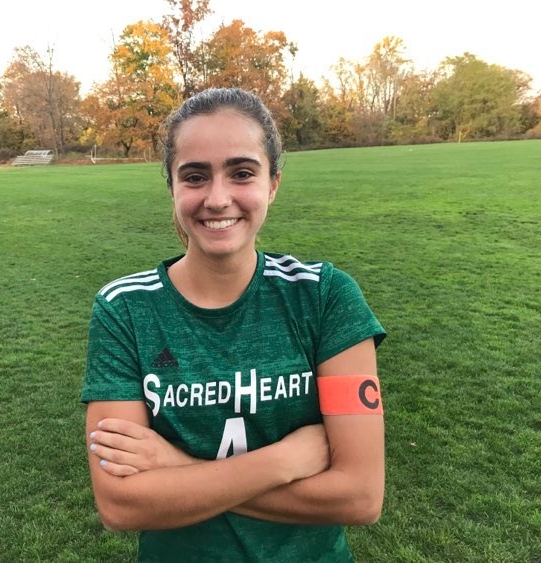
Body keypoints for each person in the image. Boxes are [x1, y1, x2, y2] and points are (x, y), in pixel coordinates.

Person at [81, 87, 386, 562]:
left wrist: (177, 466)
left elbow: (360, 496)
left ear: (273, 184)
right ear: (172, 187)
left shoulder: (325, 296)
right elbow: (121, 505)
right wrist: (281, 461)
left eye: (242, 173)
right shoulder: (125, 309)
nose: (218, 198)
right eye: (195, 177)